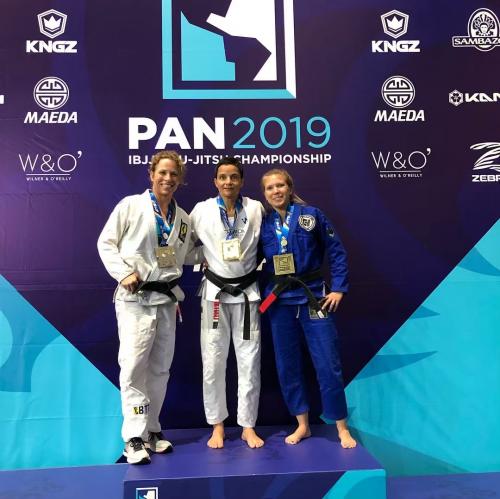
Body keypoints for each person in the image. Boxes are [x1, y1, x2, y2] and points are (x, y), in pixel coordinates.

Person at [97, 150, 193, 464]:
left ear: (180, 179)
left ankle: (152, 430)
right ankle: (133, 438)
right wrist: (123, 272)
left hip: (166, 299)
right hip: (136, 299)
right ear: (151, 174)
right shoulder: (131, 205)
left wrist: (217, 259)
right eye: (162, 172)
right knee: (134, 366)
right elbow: (106, 242)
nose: (168, 178)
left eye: (174, 174)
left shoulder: (182, 218)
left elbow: (185, 255)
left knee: (160, 368)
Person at [259, 168, 356, 448]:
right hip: (279, 302)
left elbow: (336, 251)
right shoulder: (262, 223)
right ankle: (302, 425)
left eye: (280, 185)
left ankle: (341, 426)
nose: (276, 191)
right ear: (264, 194)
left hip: (314, 297)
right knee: (287, 365)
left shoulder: (311, 216)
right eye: (270, 188)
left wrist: (338, 288)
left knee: (328, 364)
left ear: (289, 188)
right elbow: (248, 259)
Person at [189, 157, 264, 449]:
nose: (228, 182)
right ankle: (217, 426)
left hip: (247, 295)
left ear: (241, 181)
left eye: (233, 177)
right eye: (222, 177)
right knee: (213, 361)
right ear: (215, 181)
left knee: (249, 362)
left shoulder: (255, 208)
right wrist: (203, 257)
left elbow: (269, 241)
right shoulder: (202, 210)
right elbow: (182, 246)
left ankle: (247, 426)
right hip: (215, 296)